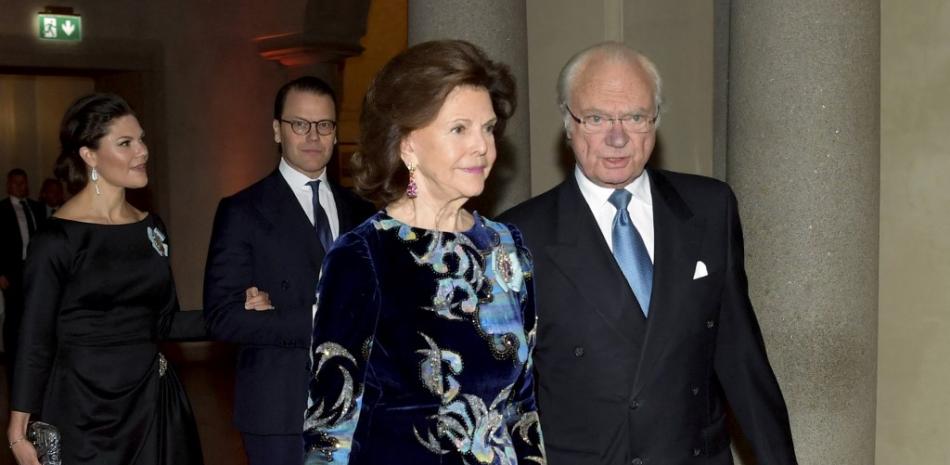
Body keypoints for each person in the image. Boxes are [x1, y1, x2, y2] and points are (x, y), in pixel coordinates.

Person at [499, 42, 798, 465]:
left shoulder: (709, 208)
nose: (618, 137)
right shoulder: (518, 234)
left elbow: (741, 357)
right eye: (597, 118)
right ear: (568, 123)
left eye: (636, 117)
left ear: (655, 120)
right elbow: (506, 399)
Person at [302, 39, 545, 465]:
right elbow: (329, 428)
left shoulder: (506, 247)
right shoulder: (364, 257)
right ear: (408, 144)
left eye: (487, 128)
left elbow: (522, 409)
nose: (483, 147)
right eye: (459, 129)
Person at [6, 93, 273, 465]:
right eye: (126, 143)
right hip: (82, 413)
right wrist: (18, 429)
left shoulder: (151, 228)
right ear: (89, 155)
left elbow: (164, 320)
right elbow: (34, 337)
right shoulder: (56, 241)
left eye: (142, 139)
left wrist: (234, 311)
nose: (143, 151)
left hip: (152, 406)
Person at [203, 76, 375, 465]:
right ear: (277, 130)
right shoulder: (243, 211)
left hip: (361, 407)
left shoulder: (364, 212)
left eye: (324, 125)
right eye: (300, 124)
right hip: (281, 410)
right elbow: (222, 318)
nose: (313, 136)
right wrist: (319, 318)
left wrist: (275, 311)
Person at [0, 169, 46, 383]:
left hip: (36, 270)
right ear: (9, 185)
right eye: (16, 183)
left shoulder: (36, 207)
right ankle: (13, 361)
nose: (20, 186)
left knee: (37, 313)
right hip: (13, 272)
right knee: (14, 318)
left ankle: (36, 359)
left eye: (23, 182)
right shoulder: (1, 209)